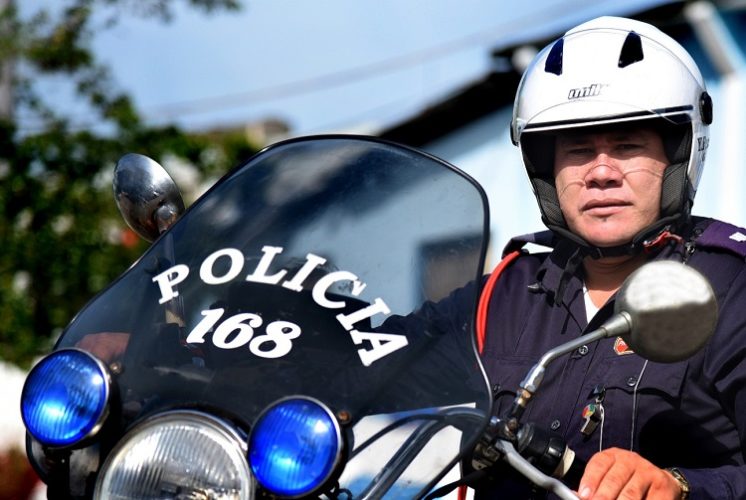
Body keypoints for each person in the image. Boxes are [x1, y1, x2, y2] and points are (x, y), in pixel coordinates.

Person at [473, 16, 746, 500]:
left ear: (678, 158)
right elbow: (378, 354)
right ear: (546, 169)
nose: (601, 173)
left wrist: (680, 486)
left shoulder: (732, 286)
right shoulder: (506, 290)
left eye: (627, 146)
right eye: (578, 149)